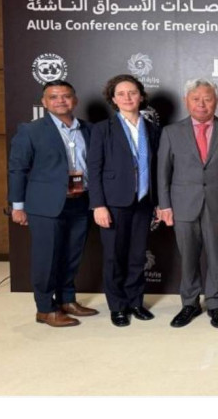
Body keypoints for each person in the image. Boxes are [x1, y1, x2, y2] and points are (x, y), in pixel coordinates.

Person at [8, 80, 99, 327]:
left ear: (74, 100)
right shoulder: (31, 130)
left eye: (66, 96)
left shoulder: (89, 129)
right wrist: (18, 207)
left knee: (72, 255)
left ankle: (67, 300)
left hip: (80, 201)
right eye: (54, 97)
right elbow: (17, 169)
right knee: (46, 258)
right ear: (44, 102)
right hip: (45, 205)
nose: (60, 101)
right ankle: (45, 309)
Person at [157, 79, 218, 329]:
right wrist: (165, 205)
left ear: (217, 101)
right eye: (196, 99)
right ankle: (190, 303)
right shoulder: (171, 132)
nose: (202, 104)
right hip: (182, 205)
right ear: (186, 101)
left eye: (207, 99)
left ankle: (216, 305)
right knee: (188, 257)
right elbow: (162, 172)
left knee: (217, 256)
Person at [87, 75, 160, 327]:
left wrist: (158, 202)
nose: (127, 97)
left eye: (132, 92)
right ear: (113, 99)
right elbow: (94, 169)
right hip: (113, 203)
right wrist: (98, 205)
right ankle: (117, 306)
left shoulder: (152, 128)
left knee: (137, 256)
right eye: (121, 93)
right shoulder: (102, 129)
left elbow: (157, 168)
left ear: (141, 96)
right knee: (114, 257)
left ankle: (135, 302)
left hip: (143, 202)